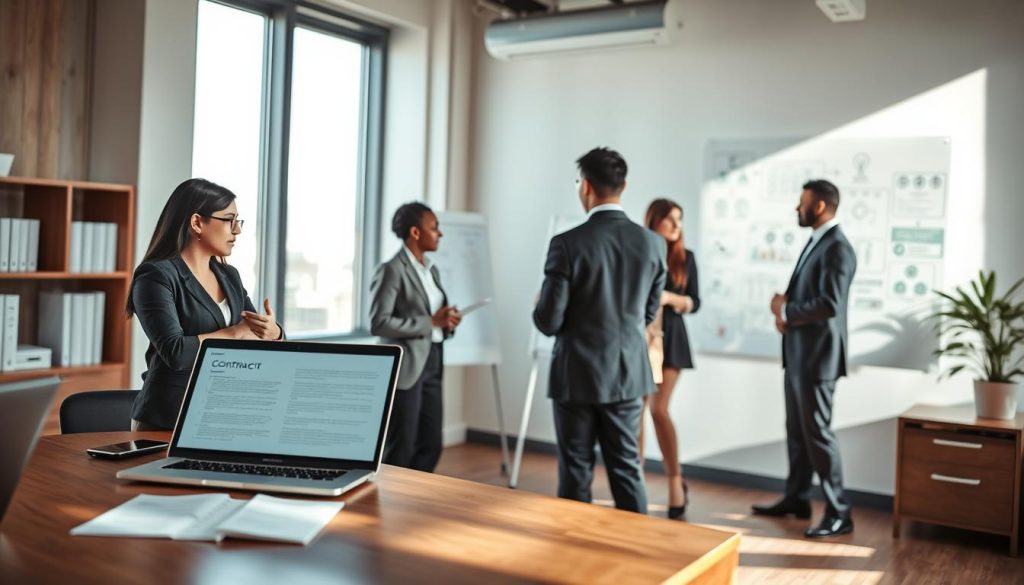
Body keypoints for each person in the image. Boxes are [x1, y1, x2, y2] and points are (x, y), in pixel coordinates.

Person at [534, 147, 667, 514]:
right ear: (623, 186)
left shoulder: (567, 244)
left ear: (587, 186)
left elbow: (549, 322)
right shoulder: (653, 244)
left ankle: (575, 561)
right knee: (627, 469)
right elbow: (648, 313)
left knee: (575, 472)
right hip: (626, 373)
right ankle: (634, 558)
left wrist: (540, 304)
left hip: (575, 374)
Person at [127, 178, 283, 431]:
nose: (237, 230)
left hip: (221, 414)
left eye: (238, 221)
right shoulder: (156, 275)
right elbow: (176, 353)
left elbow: (256, 332)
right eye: (229, 220)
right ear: (197, 222)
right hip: (167, 418)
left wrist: (273, 332)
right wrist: (234, 333)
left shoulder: (228, 275)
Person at [754, 179, 857, 538]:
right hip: (800, 354)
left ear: (819, 207)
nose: (796, 208)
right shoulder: (818, 243)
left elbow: (830, 304)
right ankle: (797, 499)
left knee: (818, 435)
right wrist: (788, 315)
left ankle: (839, 512)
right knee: (797, 433)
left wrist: (787, 308)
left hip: (818, 360)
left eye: (801, 202)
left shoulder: (837, 248)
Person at [370, 202, 461, 472]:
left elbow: (433, 317)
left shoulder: (430, 270)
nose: (440, 233)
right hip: (406, 366)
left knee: (431, 443)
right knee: (402, 445)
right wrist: (430, 321)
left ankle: (414, 502)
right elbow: (379, 323)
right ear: (415, 232)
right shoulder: (391, 270)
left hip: (433, 359)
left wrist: (446, 322)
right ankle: (392, 503)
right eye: (434, 228)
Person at [641, 198, 700, 519]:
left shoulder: (686, 258)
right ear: (655, 221)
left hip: (672, 339)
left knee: (659, 409)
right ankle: (633, 480)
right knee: (634, 410)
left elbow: (696, 301)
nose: (677, 226)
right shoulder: (639, 250)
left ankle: (675, 481)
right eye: (670, 219)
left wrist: (669, 298)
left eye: (680, 219)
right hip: (641, 337)